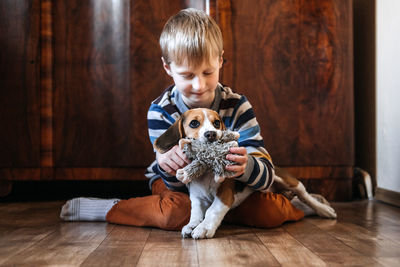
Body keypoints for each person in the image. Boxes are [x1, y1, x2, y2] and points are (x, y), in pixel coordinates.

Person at [60, 8, 311, 230]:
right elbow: (176, 185)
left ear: (220, 60)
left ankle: (291, 208)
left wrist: (246, 166)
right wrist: (167, 163)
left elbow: (266, 175)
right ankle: (111, 209)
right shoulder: (161, 110)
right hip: (178, 188)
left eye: (208, 72)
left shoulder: (237, 106)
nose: (199, 85)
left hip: (229, 186)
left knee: (269, 212)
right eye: (187, 74)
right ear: (168, 68)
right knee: (174, 211)